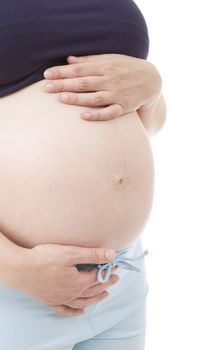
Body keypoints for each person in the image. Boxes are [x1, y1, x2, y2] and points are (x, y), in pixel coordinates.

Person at [0, 1, 166, 349]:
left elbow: (141, 123)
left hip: (119, 279)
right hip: (16, 289)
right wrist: (14, 267)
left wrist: (152, 89)